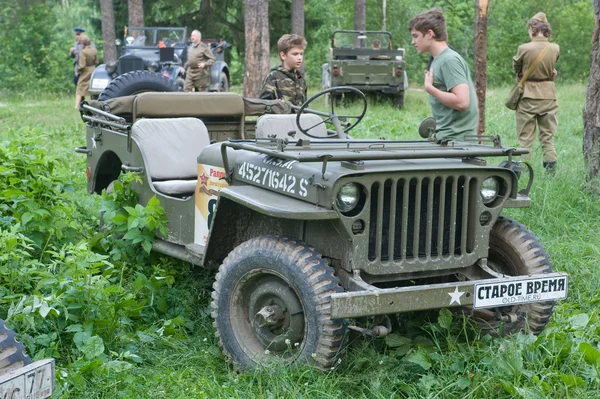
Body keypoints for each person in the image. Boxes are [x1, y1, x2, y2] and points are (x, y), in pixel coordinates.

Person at [408, 8, 478, 142]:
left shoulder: (449, 60)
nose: (413, 42)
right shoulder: (439, 59)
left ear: (429, 34)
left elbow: (462, 102)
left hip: (456, 143)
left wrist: (430, 89)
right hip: (447, 140)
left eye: (415, 36)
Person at [513, 12, 560, 172]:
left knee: (525, 139)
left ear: (533, 28)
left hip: (528, 97)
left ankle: (523, 173)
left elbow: (517, 68)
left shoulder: (524, 48)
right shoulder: (555, 48)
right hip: (549, 96)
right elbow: (551, 68)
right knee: (548, 138)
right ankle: (550, 174)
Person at [260, 34, 307, 106]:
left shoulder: (300, 79)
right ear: (283, 55)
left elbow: (305, 106)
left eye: (301, 54)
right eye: (295, 54)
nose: (299, 58)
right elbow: (264, 106)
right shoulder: (274, 77)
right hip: (281, 117)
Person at [75, 34, 98, 109]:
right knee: (92, 87)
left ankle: (77, 105)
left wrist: (77, 70)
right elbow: (96, 61)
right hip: (93, 69)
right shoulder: (94, 50)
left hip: (85, 72)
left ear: (83, 43)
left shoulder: (83, 52)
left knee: (80, 87)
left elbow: (82, 65)